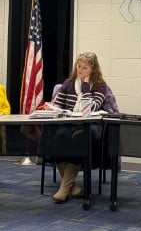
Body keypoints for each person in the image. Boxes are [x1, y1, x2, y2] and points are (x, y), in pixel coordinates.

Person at [41, 52, 119, 203]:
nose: (80, 70)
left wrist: (85, 85)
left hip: (90, 125)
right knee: (58, 137)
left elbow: (88, 110)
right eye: (79, 66)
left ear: (93, 69)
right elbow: (59, 105)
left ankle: (64, 189)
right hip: (69, 122)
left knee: (79, 139)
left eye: (85, 67)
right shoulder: (68, 83)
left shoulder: (100, 86)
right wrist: (52, 108)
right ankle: (72, 187)